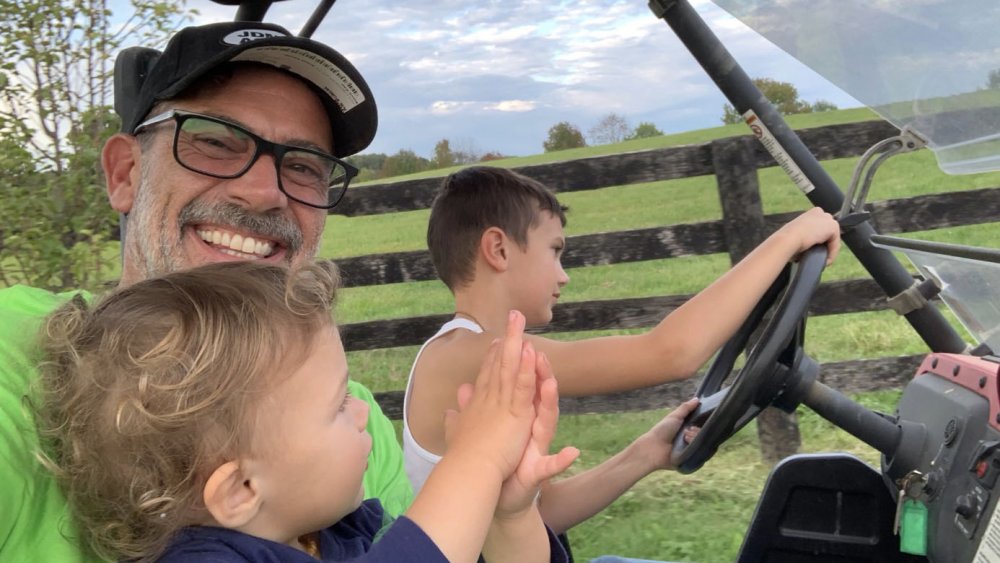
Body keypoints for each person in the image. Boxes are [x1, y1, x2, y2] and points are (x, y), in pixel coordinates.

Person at [0, 19, 411, 561]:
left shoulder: (353, 420)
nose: (265, 192)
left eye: (306, 166)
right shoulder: (15, 356)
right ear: (125, 173)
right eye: (216, 141)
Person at [33, 261, 579, 562]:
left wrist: (507, 513)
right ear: (241, 491)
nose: (363, 412)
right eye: (340, 404)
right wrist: (476, 461)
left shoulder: (337, 530)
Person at [404, 166, 842, 535]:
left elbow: (539, 516)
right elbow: (670, 354)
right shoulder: (470, 356)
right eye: (555, 252)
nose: (564, 277)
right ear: (498, 249)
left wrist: (645, 454)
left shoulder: (477, 354)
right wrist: (788, 238)